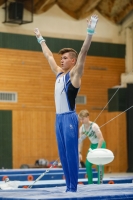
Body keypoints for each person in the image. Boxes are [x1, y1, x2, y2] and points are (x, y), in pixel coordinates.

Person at [34, 15, 98, 192]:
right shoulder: (58, 74)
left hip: (69, 118)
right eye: (61, 58)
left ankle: (73, 188)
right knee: (63, 155)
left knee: (71, 154)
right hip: (58, 119)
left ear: (73, 61)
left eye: (65, 58)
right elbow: (47, 55)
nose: (61, 60)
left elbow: (83, 52)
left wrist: (90, 32)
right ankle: (68, 187)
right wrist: (40, 38)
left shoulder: (74, 76)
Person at [78, 109, 106, 184]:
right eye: (80, 119)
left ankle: (99, 183)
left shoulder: (94, 126)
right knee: (87, 164)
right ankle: (90, 183)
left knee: (98, 164)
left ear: (88, 117)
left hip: (100, 144)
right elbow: (80, 142)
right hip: (93, 145)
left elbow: (101, 139)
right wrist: (79, 152)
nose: (81, 121)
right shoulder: (81, 128)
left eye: (83, 119)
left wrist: (97, 150)